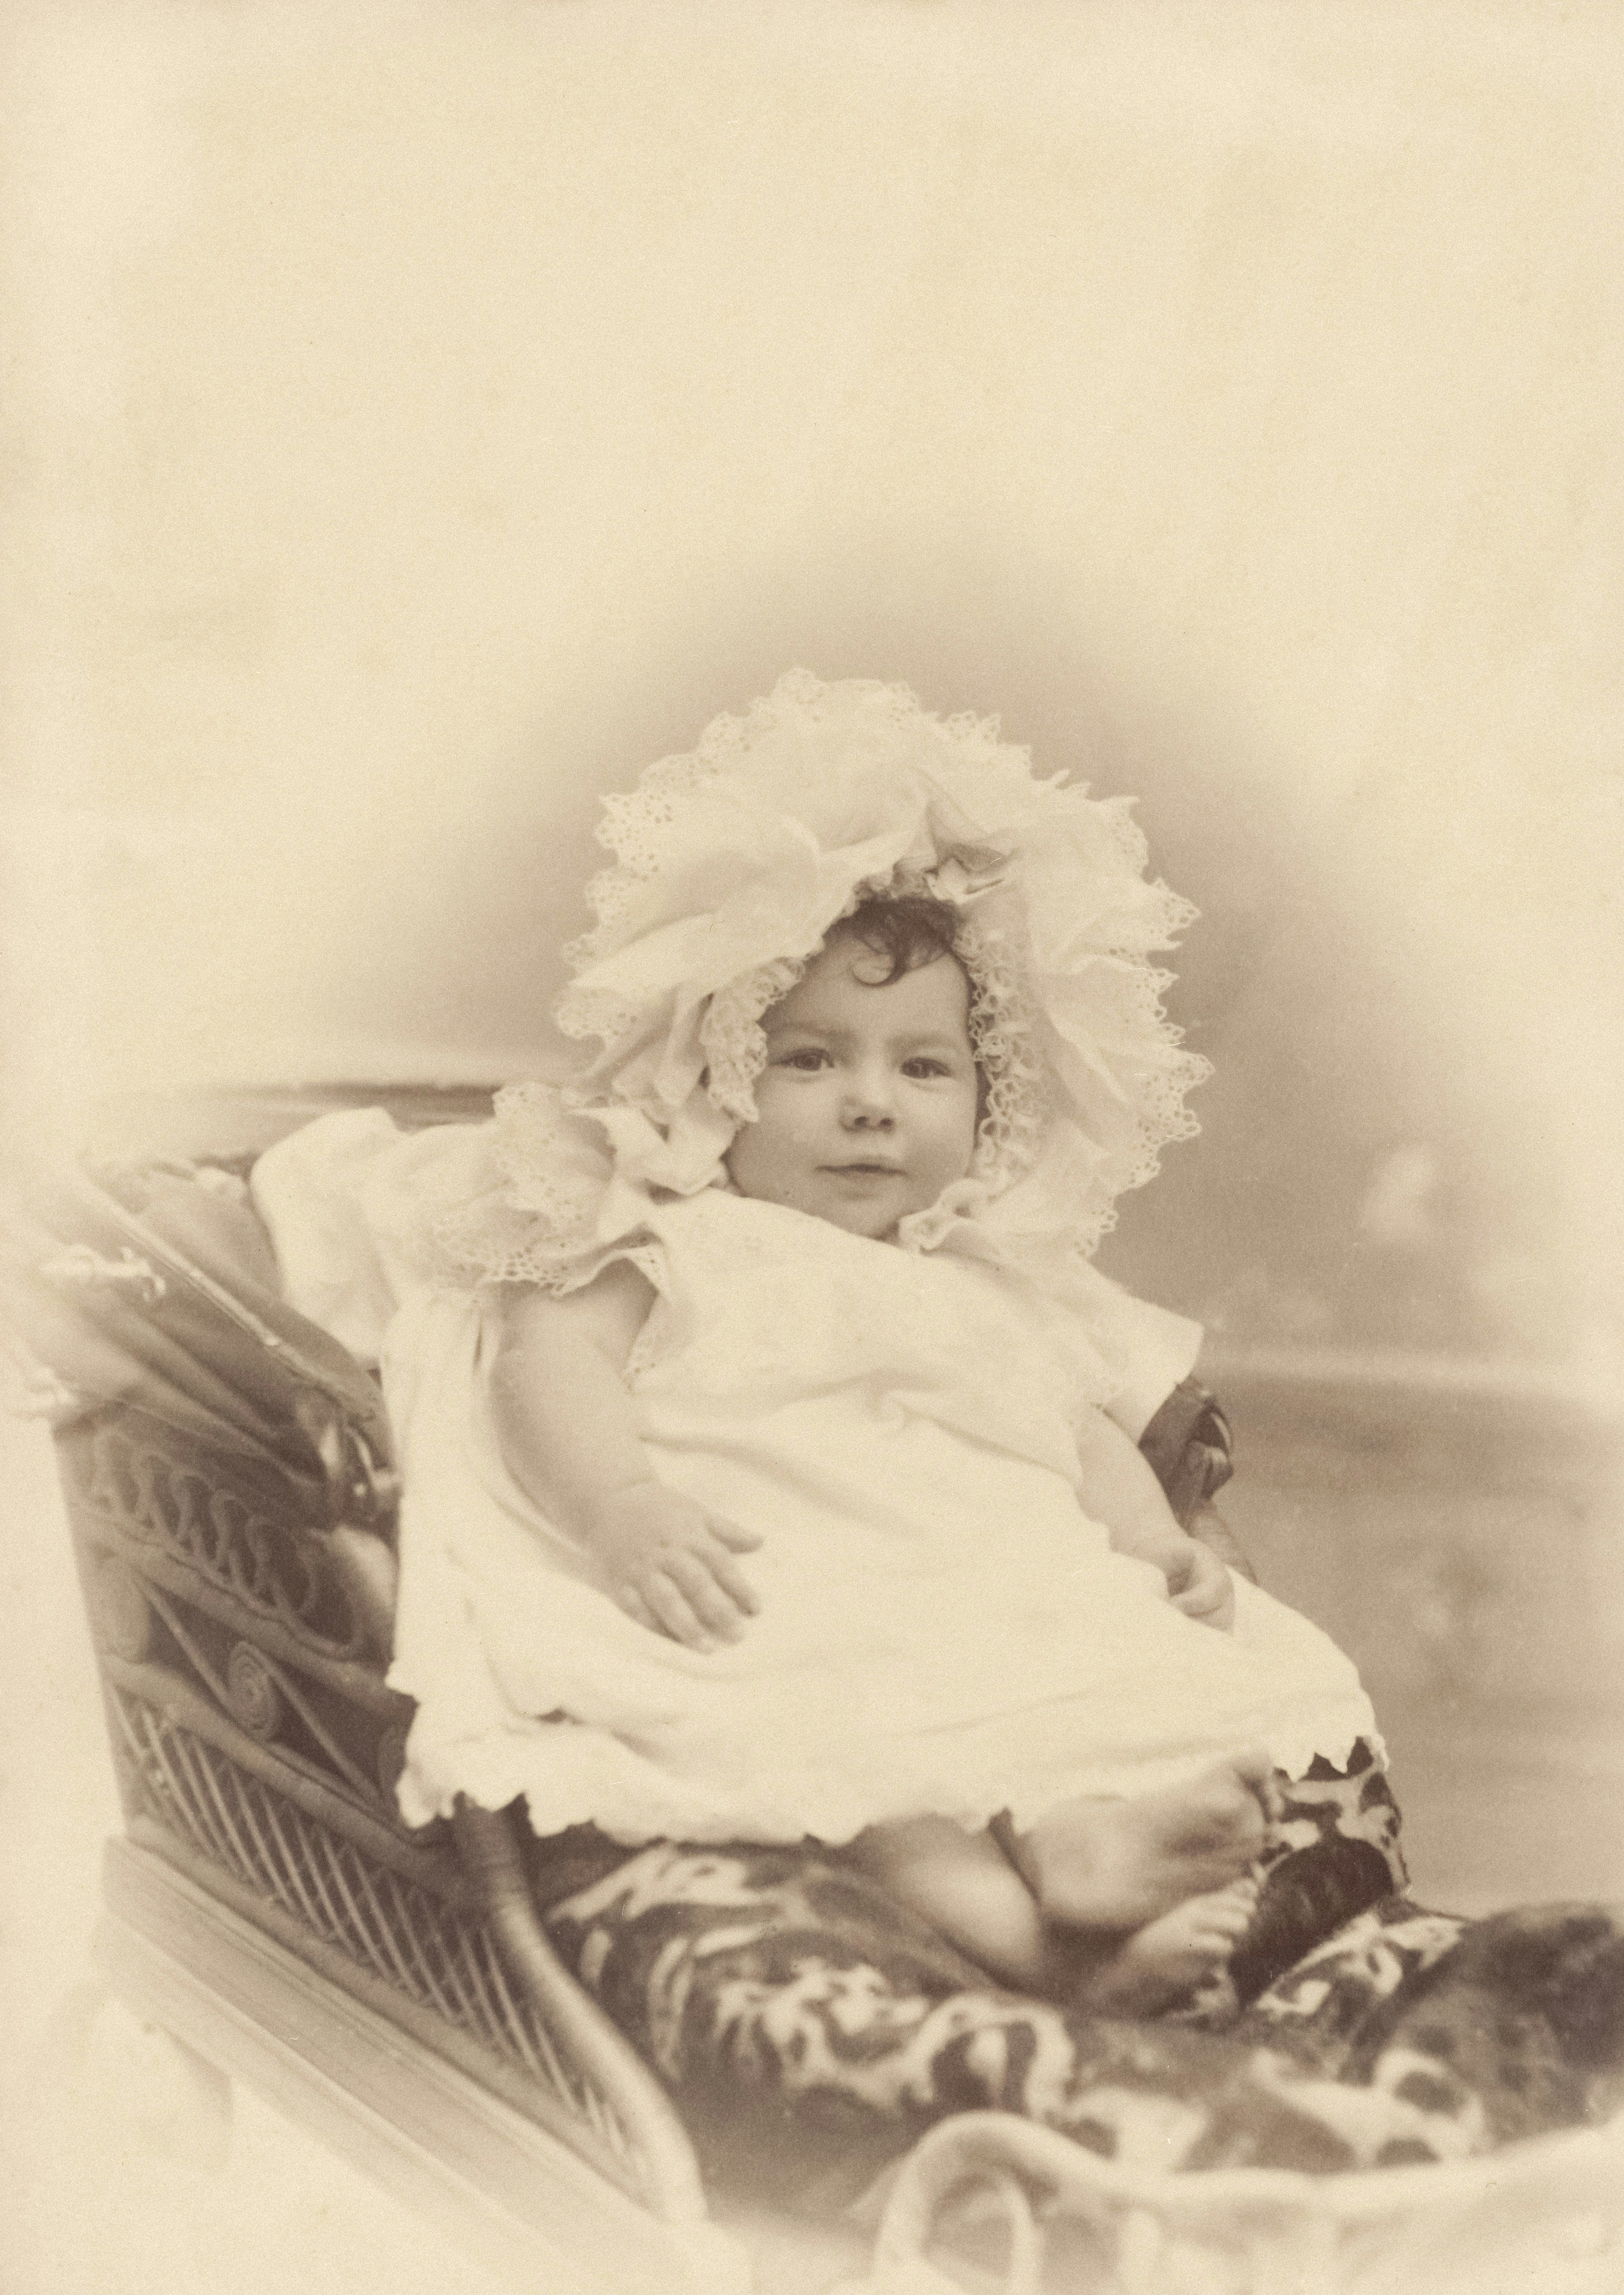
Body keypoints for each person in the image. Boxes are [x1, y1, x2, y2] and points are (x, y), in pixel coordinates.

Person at [252, 671, 1387, 2016]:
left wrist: (1148, 1540)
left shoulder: (981, 1277)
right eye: (808, 1061)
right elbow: (545, 1360)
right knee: (836, 1739)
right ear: (716, 1075)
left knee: (1078, 1672)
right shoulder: (669, 1229)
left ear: (988, 1101)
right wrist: (620, 1506)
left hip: (969, 1573)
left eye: (923, 1069)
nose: (868, 1106)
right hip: (782, 1574)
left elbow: (1074, 1427)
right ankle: (1034, 1950)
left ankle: (1084, 1844)